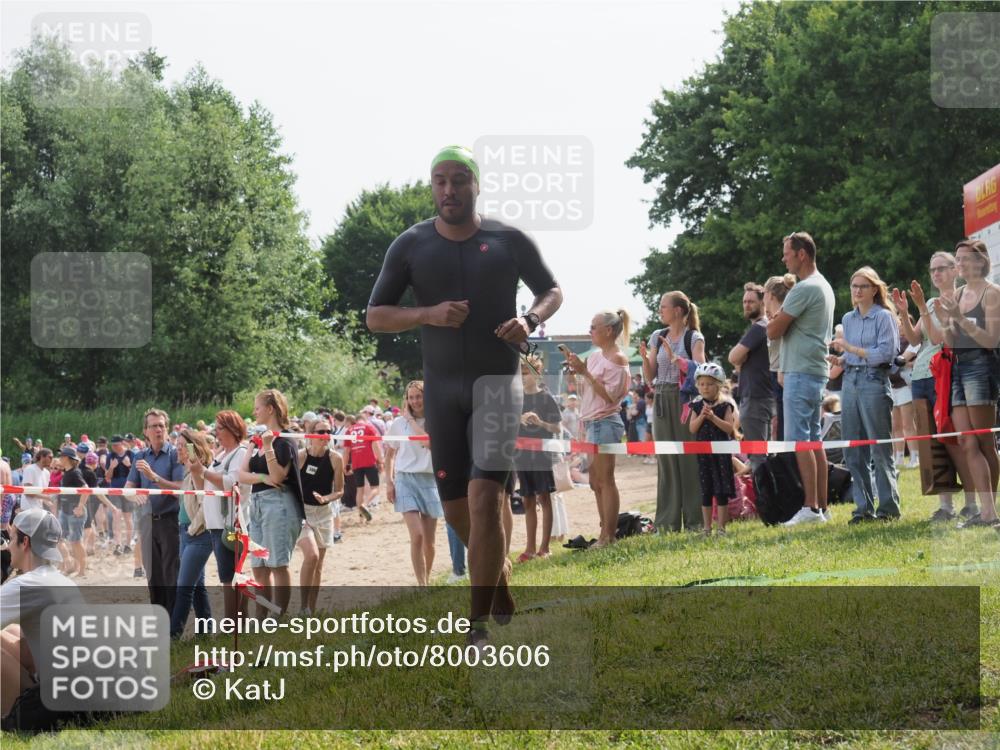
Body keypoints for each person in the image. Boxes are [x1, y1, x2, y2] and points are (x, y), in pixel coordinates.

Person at [368, 144, 562, 635]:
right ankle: (497, 582)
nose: (449, 189)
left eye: (459, 180)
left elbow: (552, 289)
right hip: (441, 392)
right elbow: (375, 316)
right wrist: (427, 314)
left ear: (476, 185)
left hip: (498, 386)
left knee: (483, 499)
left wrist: (530, 318)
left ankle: (478, 624)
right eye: (440, 181)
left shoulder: (508, 238)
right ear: (432, 186)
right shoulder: (410, 245)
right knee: (457, 510)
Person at [892, 253, 978, 522]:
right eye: (932, 270)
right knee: (932, 443)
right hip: (920, 377)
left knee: (954, 440)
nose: (936, 274)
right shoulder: (929, 301)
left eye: (942, 268)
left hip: (944, 375)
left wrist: (922, 308)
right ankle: (946, 505)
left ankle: (972, 502)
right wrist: (906, 312)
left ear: (955, 271)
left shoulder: (962, 299)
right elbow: (916, 338)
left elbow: (941, 339)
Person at [767, 232, 835, 526]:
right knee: (813, 441)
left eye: (787, 253)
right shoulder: (824, 286)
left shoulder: (804, 288)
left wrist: (776, 316)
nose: (784, 258)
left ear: (802, 254)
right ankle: (821, 507)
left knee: (800, 441)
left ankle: (810, 507)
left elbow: (772, 330)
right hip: (814, 371)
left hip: (801, 371)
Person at [935, 239, 1000, 528]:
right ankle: (984, 512)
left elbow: (991, 340)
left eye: (962, 259)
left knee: (985, 441)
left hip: (981, 367)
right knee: (967, 441)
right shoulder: (958, 293)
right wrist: (946, 320)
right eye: (957, 259)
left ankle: (991, 511)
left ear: (980, 261)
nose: (957, 264)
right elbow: (948, 341)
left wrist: (960, 318)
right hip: (958, 368)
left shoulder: (992, 292)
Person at [830, 266, 901, 523]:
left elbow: (885, 354)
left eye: (862, 286)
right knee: (853, 451)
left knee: (880, 450)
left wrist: (850, 348)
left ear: (874, 289)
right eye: (854, 286)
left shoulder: (884, 317)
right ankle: (863, 509)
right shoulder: (848, 319)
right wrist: (840, 360)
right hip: (850, 382)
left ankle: (889, 509)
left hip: (874, 382)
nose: (857, 291)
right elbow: (852, 356)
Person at [0, 509, 82, 731]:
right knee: (11, 633)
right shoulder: (61, 581)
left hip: (58, 703)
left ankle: (10, 713)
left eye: (11, 539)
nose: (7, 546)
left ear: (25, 542)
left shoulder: (27, 585)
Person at [564, 309, 631, 548]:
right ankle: (605, 532)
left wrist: (584, 373)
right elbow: (589, 387)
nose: (589, 331)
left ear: (608, 330)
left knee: (605, 480)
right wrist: (576, 371)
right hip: (591, 422)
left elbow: (611, 397)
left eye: (593, 327)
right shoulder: (595, 356)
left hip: (605, 421)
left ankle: (609, 536)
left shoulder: (618, 359)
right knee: (594, 481)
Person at [639, 291, 705, 532]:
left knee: (688, 459)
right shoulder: (658, 335)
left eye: (663, 307)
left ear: (677, 310)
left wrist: (677, 359)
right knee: (666, 461)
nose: (660, 311)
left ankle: (694, 521)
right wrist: (645, 358)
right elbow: (650, 376)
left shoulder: (694, 337)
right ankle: (666, 523)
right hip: (660, 398)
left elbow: (701, 369)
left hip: (684, 401)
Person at [238, 389, 305, 616]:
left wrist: (267, 447)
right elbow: (241, 474)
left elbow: (278, 477)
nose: (254, 412)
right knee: (259, 567)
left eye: (257, 407)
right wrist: (262, 477)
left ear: (269, 409)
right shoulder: (256, 441)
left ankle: (278, 617)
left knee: (277, 564)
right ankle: (261, 617)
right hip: (256, 504)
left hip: (279, 504)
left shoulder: (284, 441)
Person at [125, 408, 185, 613]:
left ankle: (174, 624)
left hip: (170, 521)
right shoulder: (139, 457)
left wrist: (154, 478)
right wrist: (134, 495)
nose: (158, 429)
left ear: (167, 429)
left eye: (162, 425)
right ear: (145, 431)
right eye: (154, 426)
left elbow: (180, 489)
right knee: (153, 575)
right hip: (147, 521)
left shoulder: (176, 455)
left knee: (171, 573)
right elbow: (127, 489)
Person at [385, 381, 442, 585]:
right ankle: (422, 585)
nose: (415, 401)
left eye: (418, 396)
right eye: (411, 397)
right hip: (405, 479)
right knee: (417, 536)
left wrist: (410, 419)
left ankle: (427, 577)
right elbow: (389, 454)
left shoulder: (435, 420)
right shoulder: (397, 424)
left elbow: (427, 442)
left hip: (429, 480)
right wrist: (389, 482)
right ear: (406, 399)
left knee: (429, 541)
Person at [200, 411, 248, 623]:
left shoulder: (240, 452)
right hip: (217, 523)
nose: (216, 432)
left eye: (219, 428)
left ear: (231, 429)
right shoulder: (222, 453)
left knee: (229, 577)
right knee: (228, 575)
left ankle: (233, 624)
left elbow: (232, 484)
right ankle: (239, 622)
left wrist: (203, 472)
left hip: (230, 523)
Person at [514, 356, 561, 561]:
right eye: (521, 373)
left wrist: (541, 423)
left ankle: (545, 547)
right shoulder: (516, 398)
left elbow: (557, 428)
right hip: (522, 455)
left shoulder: (546, 398)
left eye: (526, 372)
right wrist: (519, 419)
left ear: (536, 374)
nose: (523, 377)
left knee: (544, 498)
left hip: (541, 454)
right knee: (527, 500)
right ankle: (530, 548)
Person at [170, 429, 213, 638]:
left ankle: (173, 635)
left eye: (181, 446)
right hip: (187, 533)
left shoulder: (196, 470)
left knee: (184, 587)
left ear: (191, 449)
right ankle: (205, 632)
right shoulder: (188, 471)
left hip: (199, 534)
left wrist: (192, 528)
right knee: (197, 586)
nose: (177, 449)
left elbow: (205, 505)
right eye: (176, 445)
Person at [687, 362, 739, 536]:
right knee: (706, 491)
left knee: (721, 491)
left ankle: (721, 528)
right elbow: (692, 428)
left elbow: (729, 428)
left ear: (718, 385)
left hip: (721, 456)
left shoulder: (725, 406)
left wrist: (713, 418)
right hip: (704, 456)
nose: (705, 388)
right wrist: (702, 415)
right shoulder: (696, 406)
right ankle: (707, 528)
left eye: (709, 384)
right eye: (701, 384)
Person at [297, 415, 343, 611]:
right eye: (321, 432)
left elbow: (340, 490)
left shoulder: (335, 458)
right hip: (303, 513)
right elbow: (290, 484)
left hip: (324, 513)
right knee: (311, 557)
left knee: (318, 565)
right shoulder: (301, 455)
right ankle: (302, 607)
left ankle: (311, 609)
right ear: (311, 434)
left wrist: (327, 498)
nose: (325, 435)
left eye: (328, 432)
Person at [728, 282, 775, 472]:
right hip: (762, 396)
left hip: (756, 397)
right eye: (744, 301)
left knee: (757, 456)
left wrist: (741, 358)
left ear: (763, 303)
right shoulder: (766, 327)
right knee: (764, 453)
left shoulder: (759, 328)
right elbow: (737, 361)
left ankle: (763, 500)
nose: (746, 305)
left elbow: (733, 357)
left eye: (751, 301)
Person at [763, 275, 796, 451]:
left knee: (785, 430)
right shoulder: (777, 316)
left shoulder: (783, 315)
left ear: (769, 295)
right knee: (781, 427)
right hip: (776, 372)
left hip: (782, 373)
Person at [55, 445, 87, 577]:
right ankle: (71, 566)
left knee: (76, 542)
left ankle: (82, 571)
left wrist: (80, 507)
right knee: (60, 539)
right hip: (65, 510)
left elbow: (86, 488)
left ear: (67, 458)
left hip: (74, 511)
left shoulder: (75, 472)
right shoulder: (67, 472)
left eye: (61, 456)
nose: (59, 458)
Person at [346, 409, 383, 520]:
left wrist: (344, 465)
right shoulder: (369, 427)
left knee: (360, 489)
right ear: (364, 420)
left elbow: (346, 451)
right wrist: (380, 461)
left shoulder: (349, 430)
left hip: (356, 462)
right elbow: (375, 446)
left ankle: (361, 517)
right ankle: (365, 504)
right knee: (375, 488)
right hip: (369, 461)